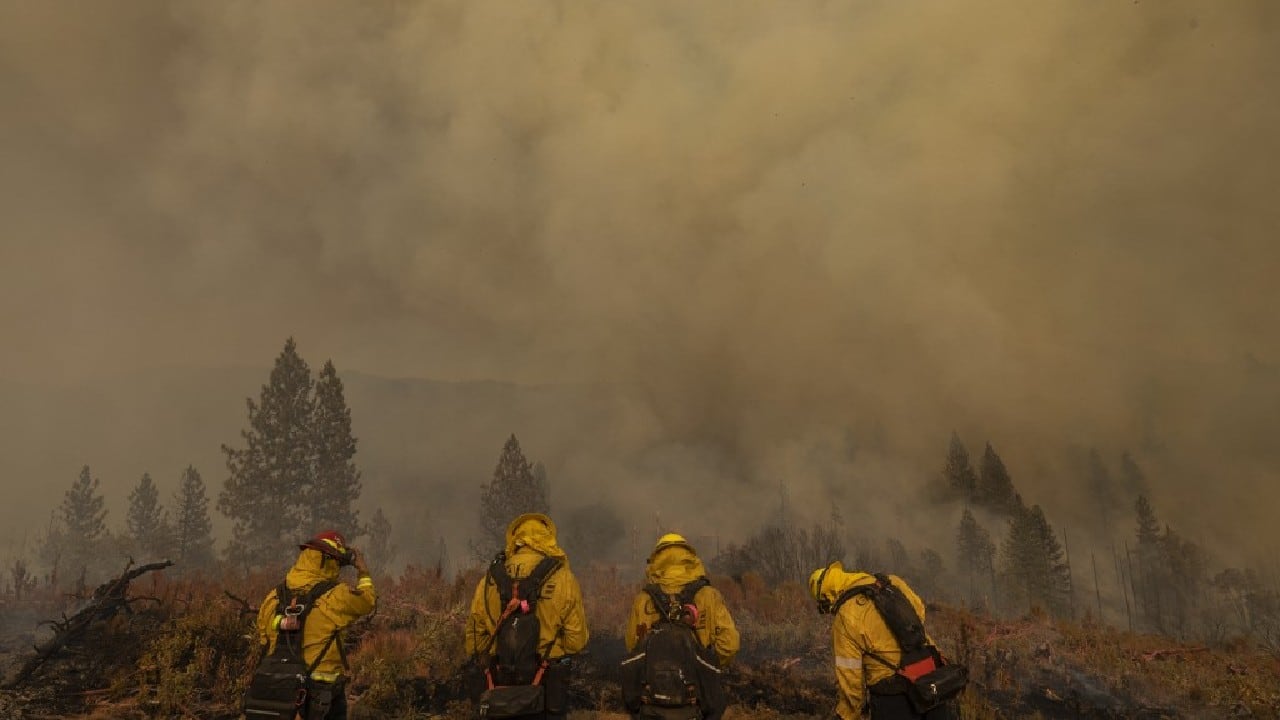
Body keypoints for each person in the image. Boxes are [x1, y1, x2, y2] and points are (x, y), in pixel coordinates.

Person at [465, 513, 589, 720]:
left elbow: (474, 642)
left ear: (514, 539)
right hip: (546, 690)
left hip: (497, 690)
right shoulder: (563, 578)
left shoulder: (488, 581)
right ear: (548, 538)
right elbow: (576, 642)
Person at [808, 561, 957, 720]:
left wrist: (847, 715)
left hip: (893, 694)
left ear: (827, 596)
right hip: (931, 678)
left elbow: (851, 682)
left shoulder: (845, 617)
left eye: (824, 607)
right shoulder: (892, 582)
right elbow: (920, 612)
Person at [253, 530, 377, 720]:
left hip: (275, 689)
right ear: (328, 560)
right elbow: (368, 601)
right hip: (319, 693)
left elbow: (263, 638)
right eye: (337, 562)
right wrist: (363, 571)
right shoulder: (336, 596)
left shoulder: (273, 597)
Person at [622, 533, 739, 720]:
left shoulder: (643, 600)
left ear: (656, 559)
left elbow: (632, 647)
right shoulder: (708, 595)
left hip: (651, 704)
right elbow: (729, 644)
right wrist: (705, 669)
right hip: (696, 703)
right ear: (690, 557)